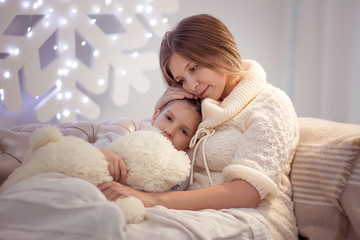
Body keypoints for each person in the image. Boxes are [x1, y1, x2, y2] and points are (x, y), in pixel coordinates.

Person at [98, 14, 299, 240]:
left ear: (220, 49)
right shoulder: (197, 106)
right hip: (186, 214)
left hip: (251, 219)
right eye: (181, 80)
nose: (191, 85)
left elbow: (247, 193)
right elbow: (148, 150)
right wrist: (160, 112)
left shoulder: (270, 103)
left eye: (194, 68)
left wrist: (150, 200)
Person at [97, 98, 202, 186]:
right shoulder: (114, 140)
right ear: (155, 116)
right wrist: (102, 152)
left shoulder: (180, 175)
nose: (169, 131)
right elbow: (86, 155)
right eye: (169, 118)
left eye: (183, 131)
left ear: (189, 145)